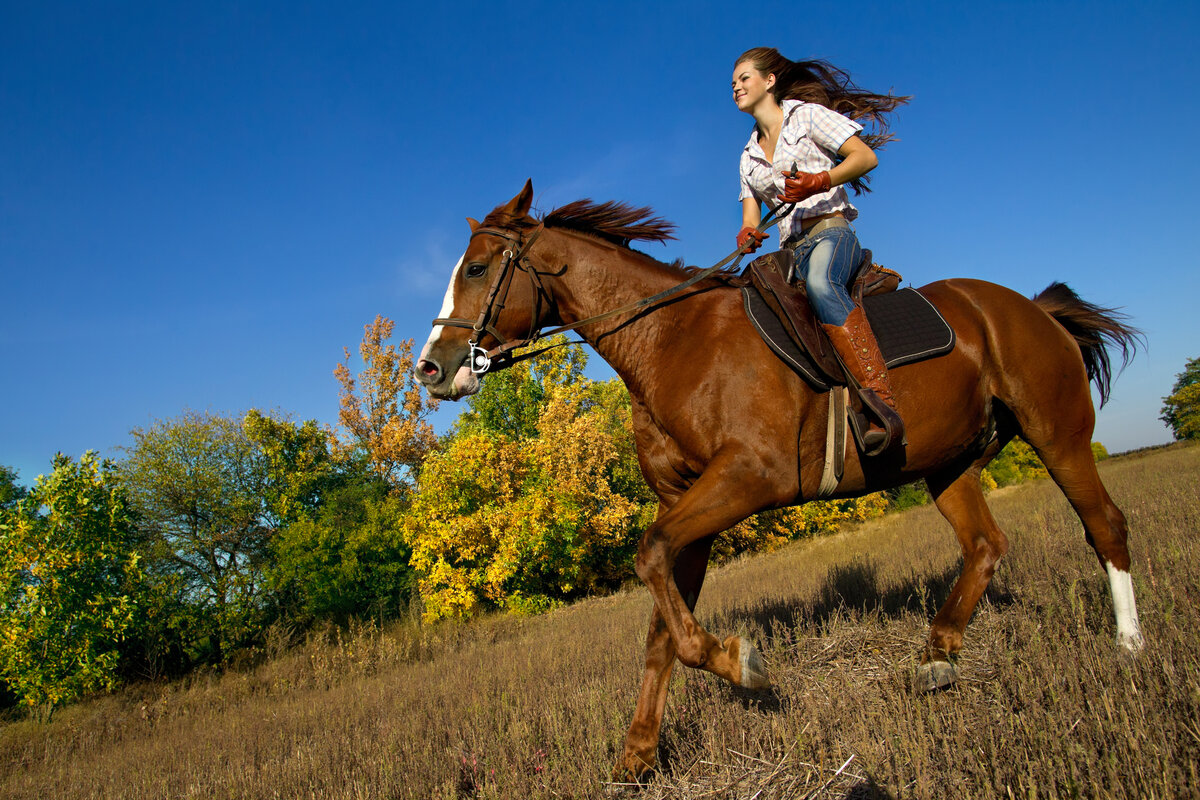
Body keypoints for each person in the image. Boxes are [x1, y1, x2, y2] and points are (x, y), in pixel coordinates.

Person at [732, 47, 909, 455]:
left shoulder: (807, 116)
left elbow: (866, 158)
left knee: (820, 284)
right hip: (789, 250)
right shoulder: (746, 157)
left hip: (832, 233)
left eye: (744, 78)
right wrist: (747, 233)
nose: (736, 87)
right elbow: (750, 216)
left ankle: (880, 400)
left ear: (769, 81)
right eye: (733, 83)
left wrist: (820, 180)